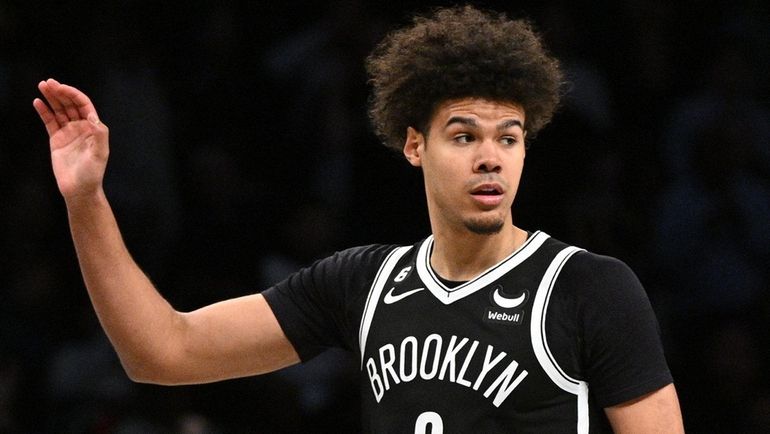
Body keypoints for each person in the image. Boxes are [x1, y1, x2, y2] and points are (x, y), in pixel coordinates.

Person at [33, 5, 683, 433]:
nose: (490, 157)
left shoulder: (590, 287)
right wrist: (86, 199)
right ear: (414, 145)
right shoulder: (361, 283)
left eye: (508, 137)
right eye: (463, 136)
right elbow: (161, 353)